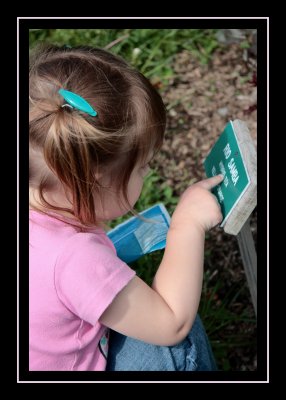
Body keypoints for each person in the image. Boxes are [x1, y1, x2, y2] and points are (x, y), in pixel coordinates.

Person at [29, 44, 223, 371]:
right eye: (143, 167)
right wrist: (186, 225)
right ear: (95, 180)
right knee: (182, 337)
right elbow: (171, 323)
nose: (148, 173)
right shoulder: (76, 260)